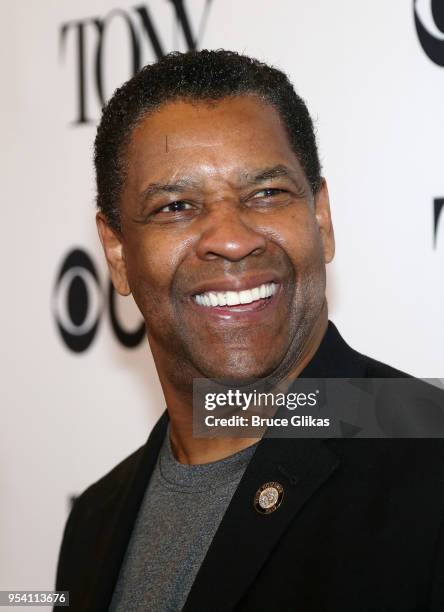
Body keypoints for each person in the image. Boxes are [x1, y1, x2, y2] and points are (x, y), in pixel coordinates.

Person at [54, 50, 444, 611]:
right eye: (177, 205)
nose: (232, 239)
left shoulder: (430, 455)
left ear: (321, 218)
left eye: (266, 194)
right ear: (117, 253)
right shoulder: (93, 523)